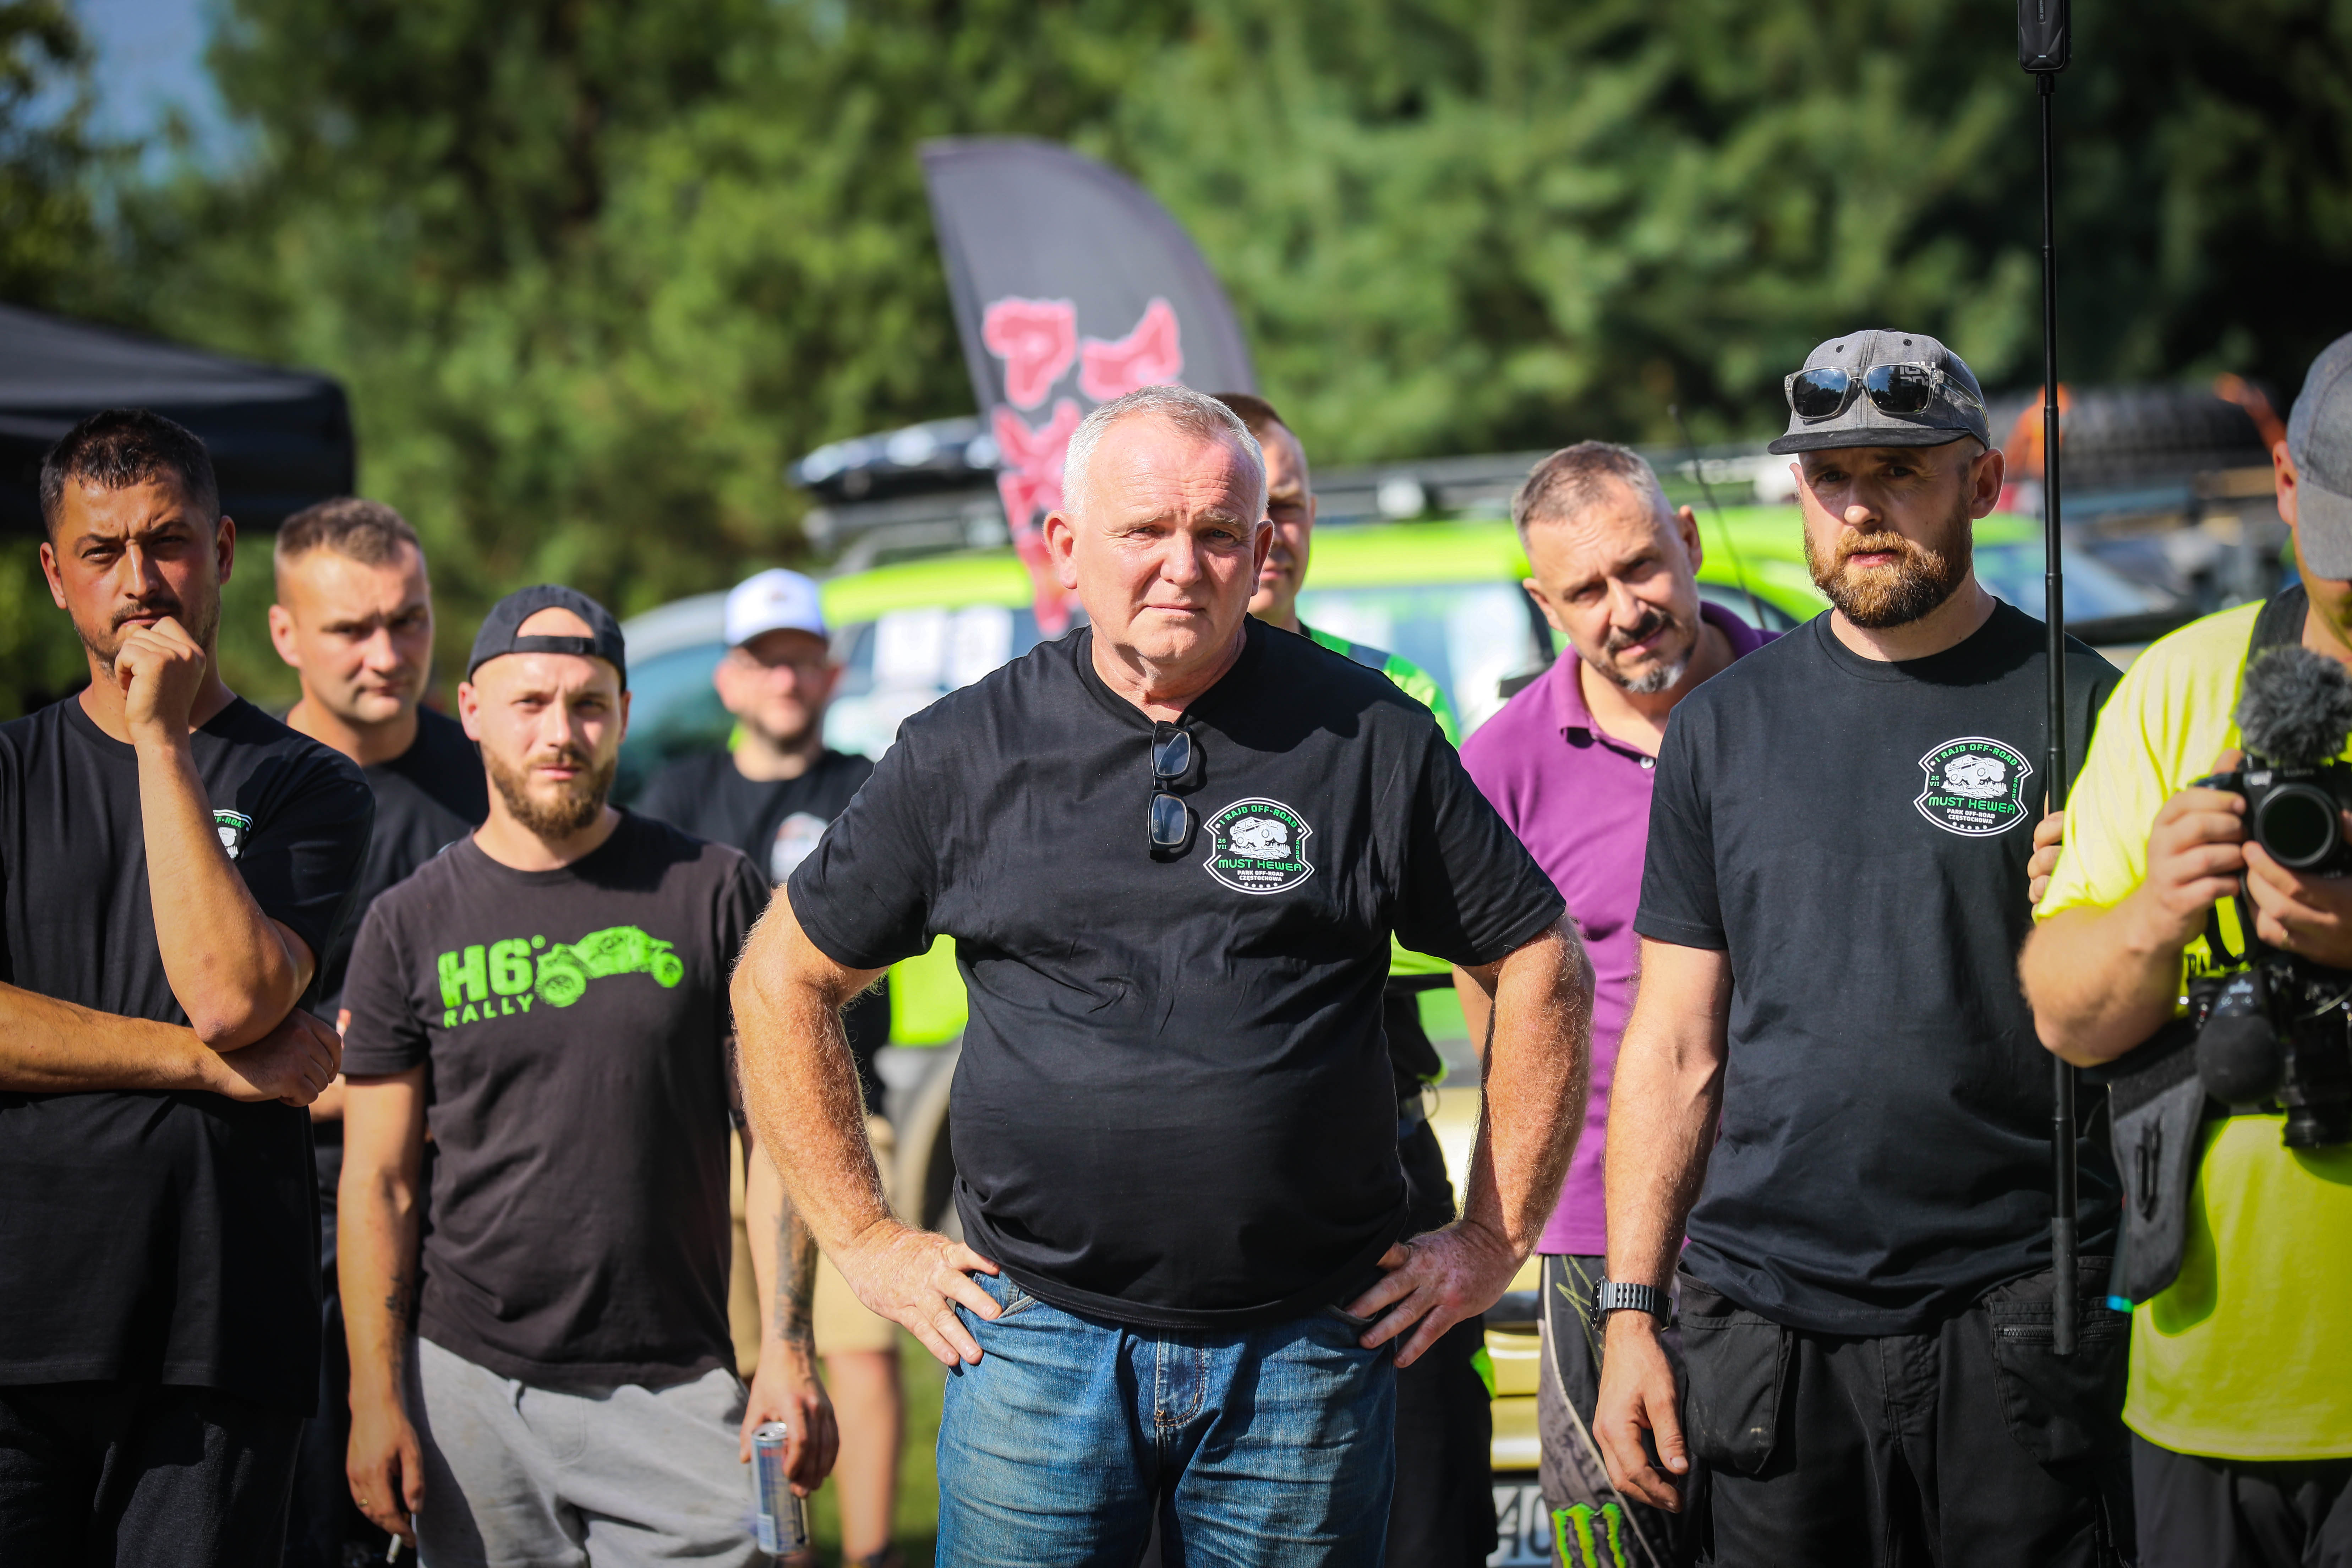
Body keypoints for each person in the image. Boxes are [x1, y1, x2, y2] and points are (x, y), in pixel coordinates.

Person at [731, 384, 1593, 1567]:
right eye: (1145, 529)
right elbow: (778, 979)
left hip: (1304, 1355)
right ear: (1065, 545)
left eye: (1218, 532)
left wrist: (1492, 1237)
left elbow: (1540, 959)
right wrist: (867, 1239)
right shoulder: (965, 749)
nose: (1182, 565)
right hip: (1032, 1349)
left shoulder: (1369, 736)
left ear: (1260, 545)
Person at [1593, 330, 2133, 1565]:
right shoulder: (1718, 729)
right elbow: (1672, 1045)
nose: (1858, 508)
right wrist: (1629, 1312)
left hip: (2021, 1316)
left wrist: (2106, 914)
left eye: (1898, 471)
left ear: (1982, 484)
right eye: (1829, 477)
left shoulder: (2090, 706)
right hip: (1765, 1334)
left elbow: (2146, 1019)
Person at [336, 586, 837, 1564]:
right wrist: (375, 1393)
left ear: (624, 713)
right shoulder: (406, 923)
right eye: (529, 703)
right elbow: (379, 1182)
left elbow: (778, 1136)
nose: (560, 733)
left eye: (589, 705)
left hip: (679, 1380)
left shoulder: (713, 889)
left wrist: (787, 1345)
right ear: (471, 710)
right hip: (470, 1389)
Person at [0, 409, 371, 1563]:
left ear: (220, 550)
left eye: (166, 542)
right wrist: (200, 1068)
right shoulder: (7, 773)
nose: (139, 582)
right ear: (55, 574)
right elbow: (217, 1042)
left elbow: (232, 998)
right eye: (102, 552)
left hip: (215, 1338)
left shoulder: (309, 782)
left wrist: (161, 740)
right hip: (18, 1330)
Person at [2022, 332, 2352, 1565]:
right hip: (2209, 1394)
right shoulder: (2180, 685)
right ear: (2287, 486)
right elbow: (2064, 1015)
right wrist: (2154, 912)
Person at [1456, 441, 1776, 1567]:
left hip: (1802, 1220)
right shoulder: (1498, 767)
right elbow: (1495, 1003)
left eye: (1639, 566)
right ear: (1543, 603)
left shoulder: (1802, 698)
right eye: (1584, 590)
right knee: (1613, 1543)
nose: (1624, 610)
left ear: (1687, 540)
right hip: (1597, 1240)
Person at [1214, 388, 1494, 1568]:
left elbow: (1485, 947)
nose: (1267, 534)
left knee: (1422, 1517)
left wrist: (1492, 1225)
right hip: (1178, 1228)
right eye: (1240, 512)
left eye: (1286, 504)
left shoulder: (1392, 699)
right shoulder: (1119, 709)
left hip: (1379, 1183)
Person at [635, 567, 903, 1568]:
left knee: (861, 1346)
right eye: (765, 660)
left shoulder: (868, 786)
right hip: (713, 1124)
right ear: (731, 679)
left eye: (801, 660)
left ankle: (871, 1558)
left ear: (830, 674)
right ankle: (785, 1553)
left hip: (843, 1110)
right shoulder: (677, 796)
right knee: (750, 1365)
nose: (785, 679)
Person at [266, 495, 488, 1568]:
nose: (389, 654)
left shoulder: (492, 777)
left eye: (409, 620)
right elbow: (195, 1042)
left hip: (473, 1216)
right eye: (352, 629)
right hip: (287, 1221)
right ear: (285, 633)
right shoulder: (234, 792)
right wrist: (395, 1076)